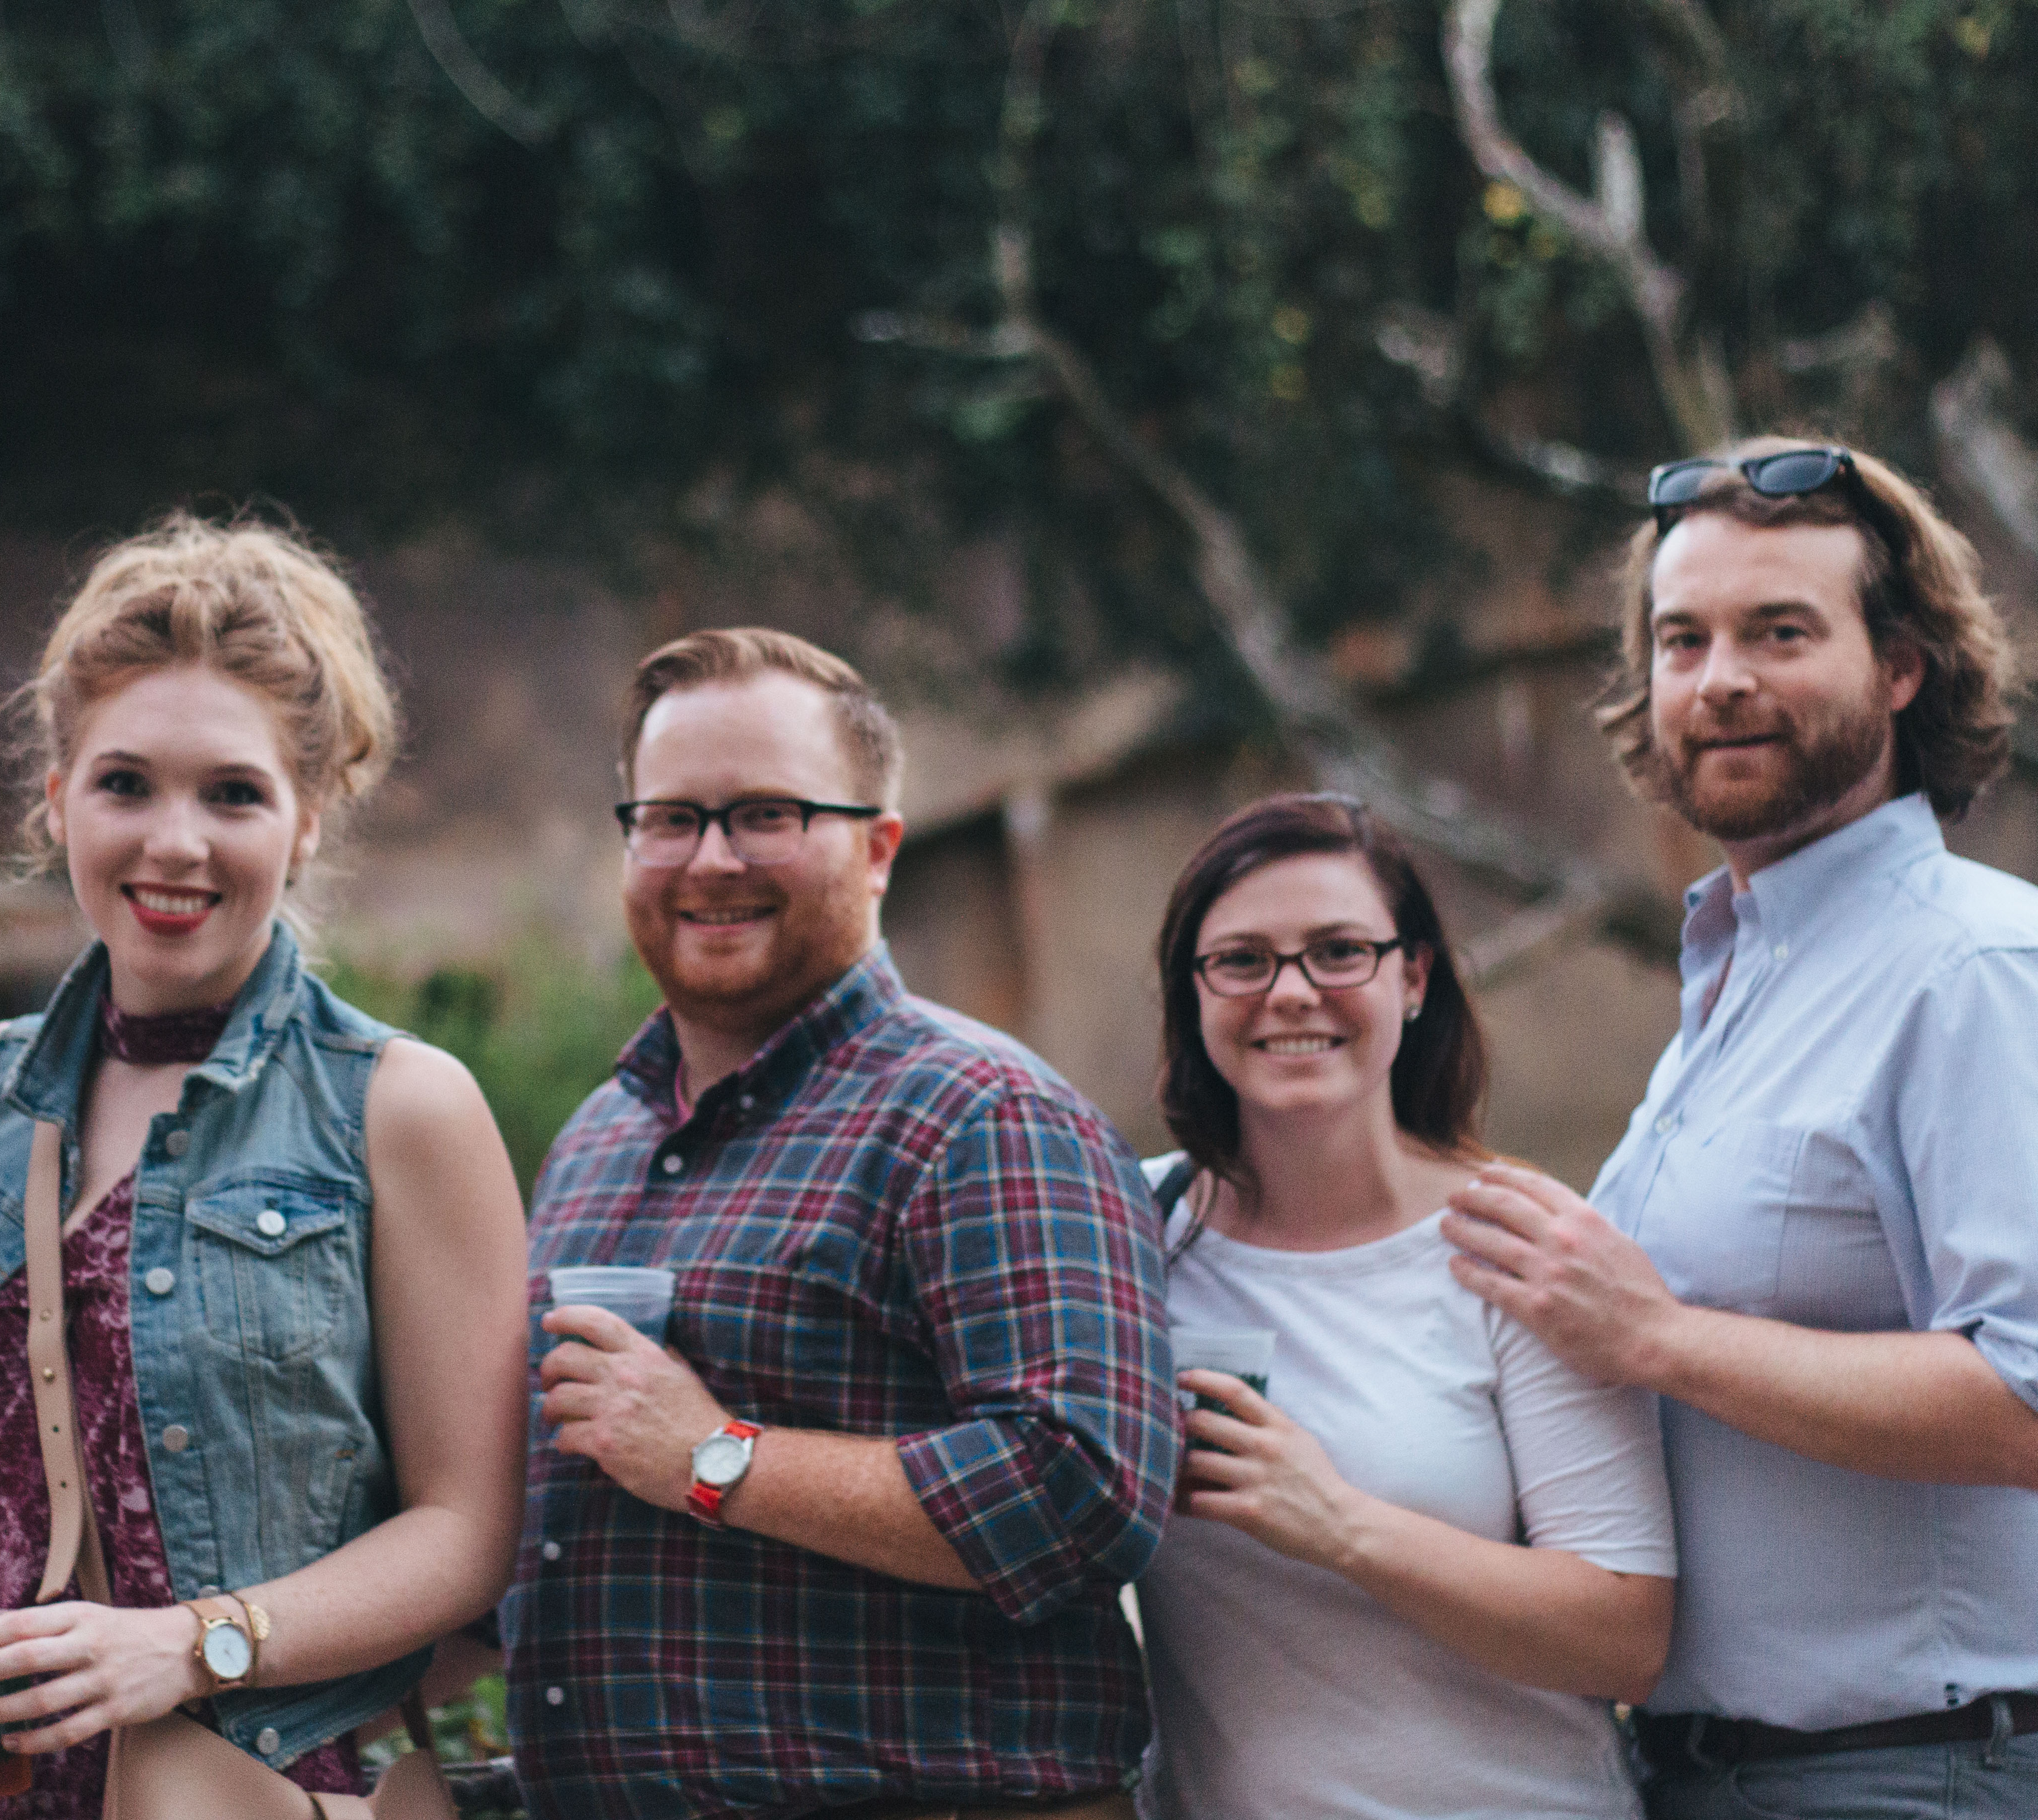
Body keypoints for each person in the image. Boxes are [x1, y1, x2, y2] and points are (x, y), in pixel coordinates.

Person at [0, 512, 527, 1818]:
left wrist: (190, 1645)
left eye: (233, 794)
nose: (175, 843)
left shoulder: (401, 1109)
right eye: (126, 785)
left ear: (308, 821)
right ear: (57, 800)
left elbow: (471, 1533)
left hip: (236, 1794)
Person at [1442, 439, 2038, 1815]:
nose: (1718, 682)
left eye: (1780, 633)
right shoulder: (1734, 976)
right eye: (1682, 640)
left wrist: (1656, 1336)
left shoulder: (1973, 970)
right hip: (1707, 1774)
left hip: (1919, 1774)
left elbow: (2027, 1396)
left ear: (1901, 669)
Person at [503, 628, 1176, 1820]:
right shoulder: (595, 1142)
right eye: (670, 819)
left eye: (765, 815)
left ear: (877, 850)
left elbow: (1081, 1490)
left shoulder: (984, 1115)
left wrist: (717, 1458)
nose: (710, 860)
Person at [1133, 793, 1676, 1819]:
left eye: (1339, 951)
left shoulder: (1519, 1240)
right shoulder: (1127, 1235)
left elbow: (1625, 1636)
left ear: (1414, 977)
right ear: (1191, 994)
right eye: (1242, 961)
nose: (1291, 993)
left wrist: (1337, 1523)